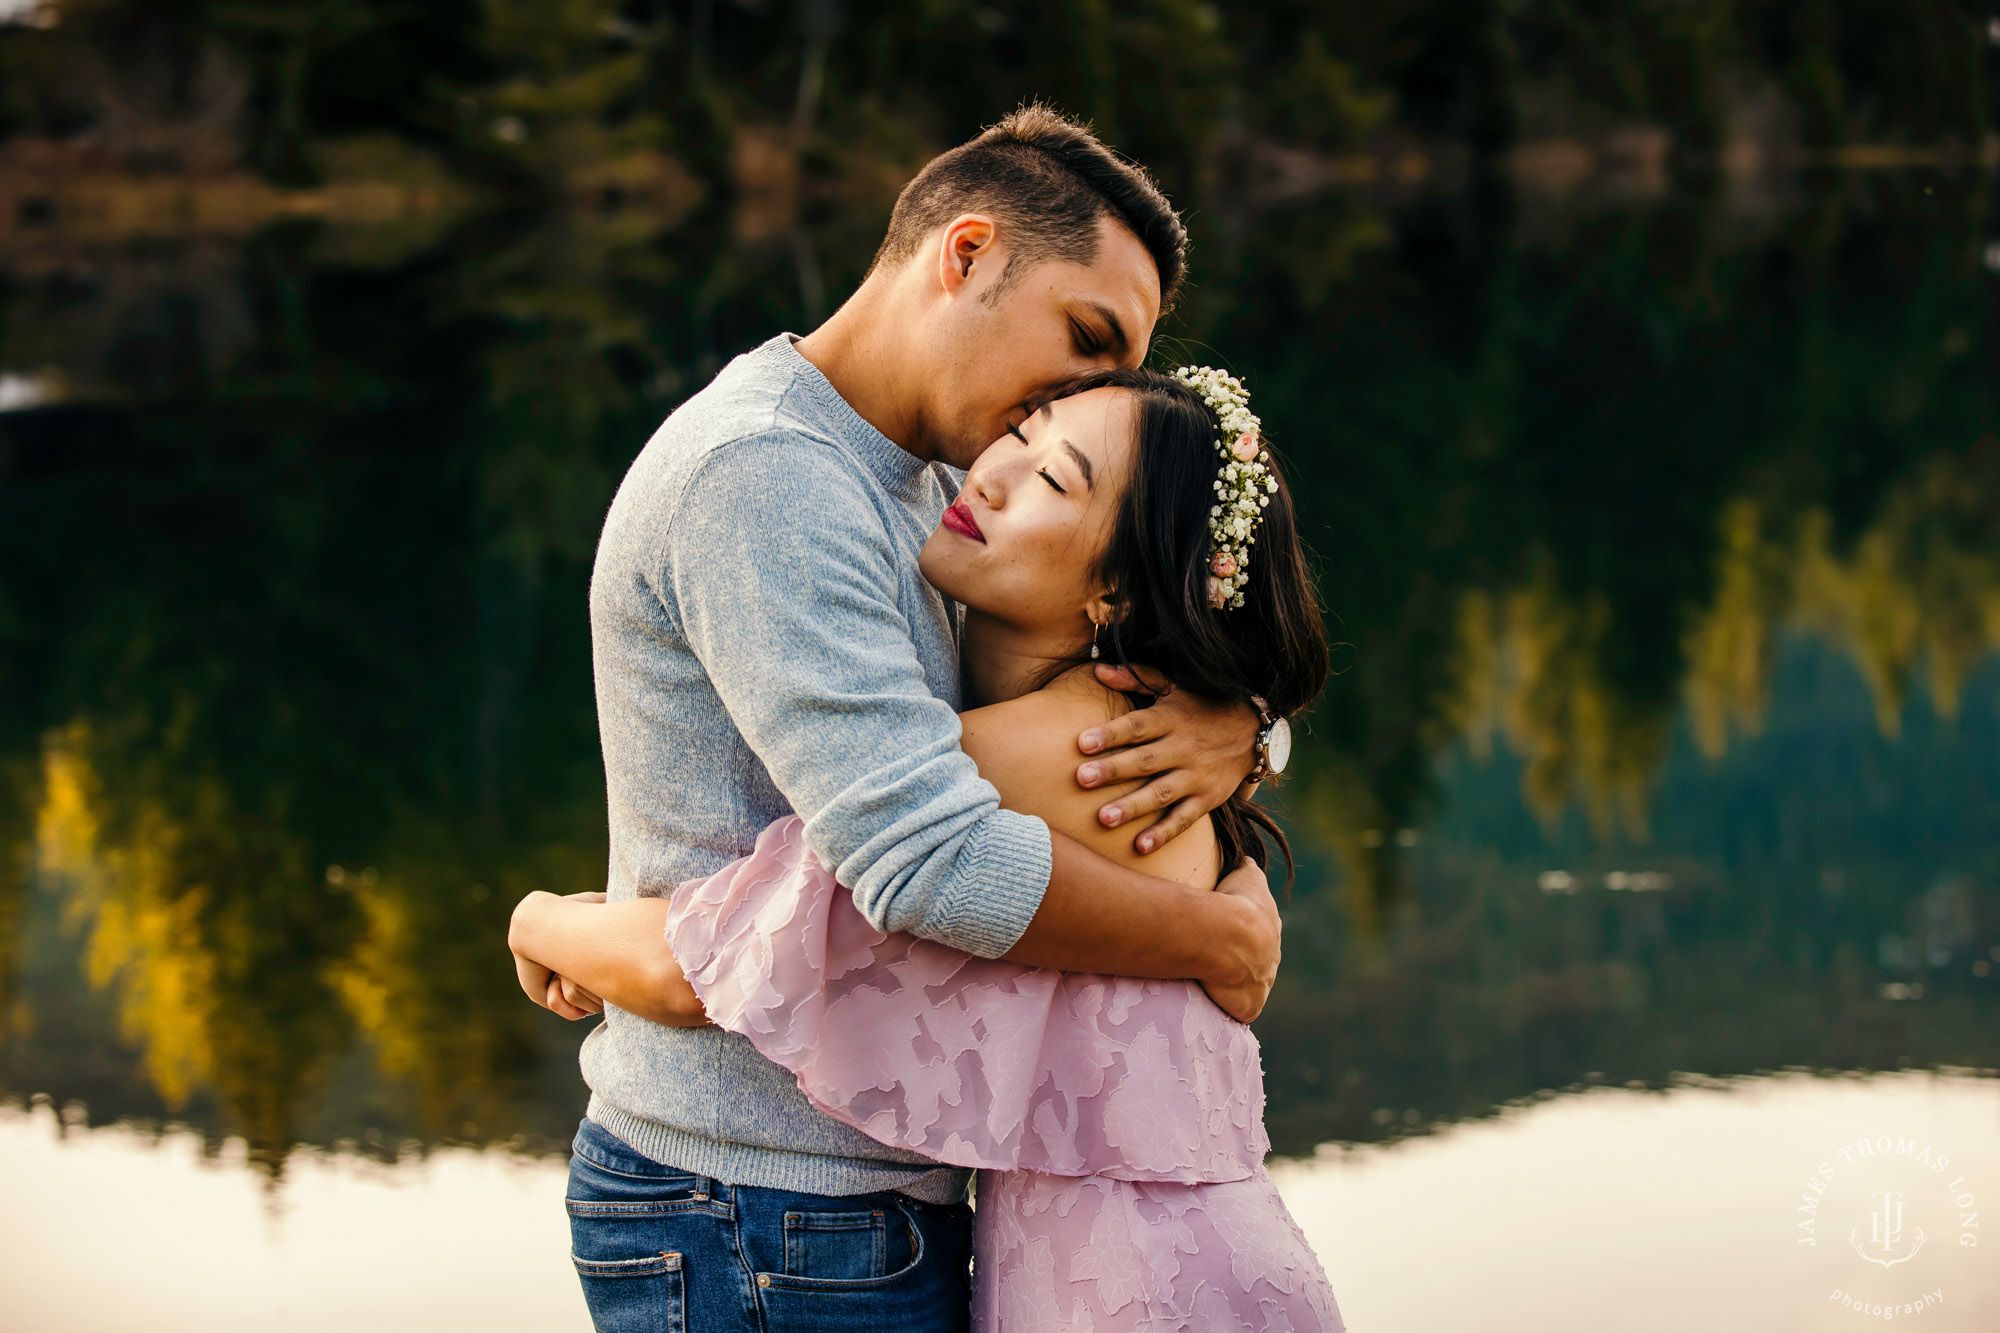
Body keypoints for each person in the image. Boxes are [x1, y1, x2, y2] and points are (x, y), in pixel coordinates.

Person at [510, 106, 1289, 1331]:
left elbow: (1087, 679)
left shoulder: (937, 486)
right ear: (965, 252)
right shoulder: (765, 475)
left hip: (852, 1195)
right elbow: (928, 862)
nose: (1080, 400)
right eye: (1083, 344)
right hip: (753, 1196)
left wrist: (1242, 730)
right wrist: (1212, 938)